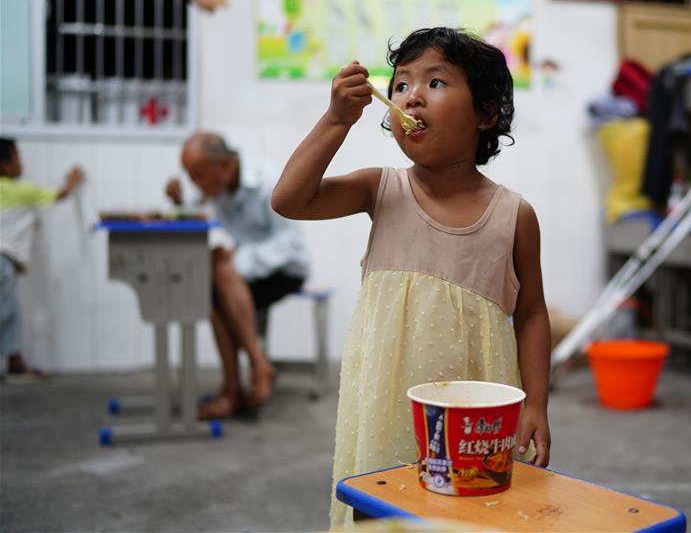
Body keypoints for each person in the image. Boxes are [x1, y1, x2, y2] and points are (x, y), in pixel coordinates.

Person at [271, 27, 552, 528]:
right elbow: (289, 199)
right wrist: (337, 119)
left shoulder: (515, 215)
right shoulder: (380, 190)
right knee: (384, 512)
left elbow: (530, 314)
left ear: (486, 114)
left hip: (475, 421)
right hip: (385, 407)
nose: (412, 96)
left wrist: (536, 402)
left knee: (471, 518)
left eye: (436, 83)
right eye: (400, 85)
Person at [165, 133, 309, 418]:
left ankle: (237, 385)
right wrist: (180, 203)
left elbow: (290, 243)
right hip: (245, 274)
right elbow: (197, 211)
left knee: (218, 271)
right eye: (190, 176)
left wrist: (237, 260)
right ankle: (249, 374)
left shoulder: (268, 182)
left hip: (286, 269)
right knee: (214, 290)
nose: (195, 183)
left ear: (226, 166)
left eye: (198, 175)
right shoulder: (217, 186)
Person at [0, 138, 84, 381]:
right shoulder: (21, 190)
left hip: (6, 265)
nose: (21, 164)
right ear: (5, 165)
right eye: (17, 158)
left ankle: (15, 364)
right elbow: (60, 194)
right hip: (2, 263)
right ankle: (15, 364)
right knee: (4, 313)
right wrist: (73, 180)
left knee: (11, 313)